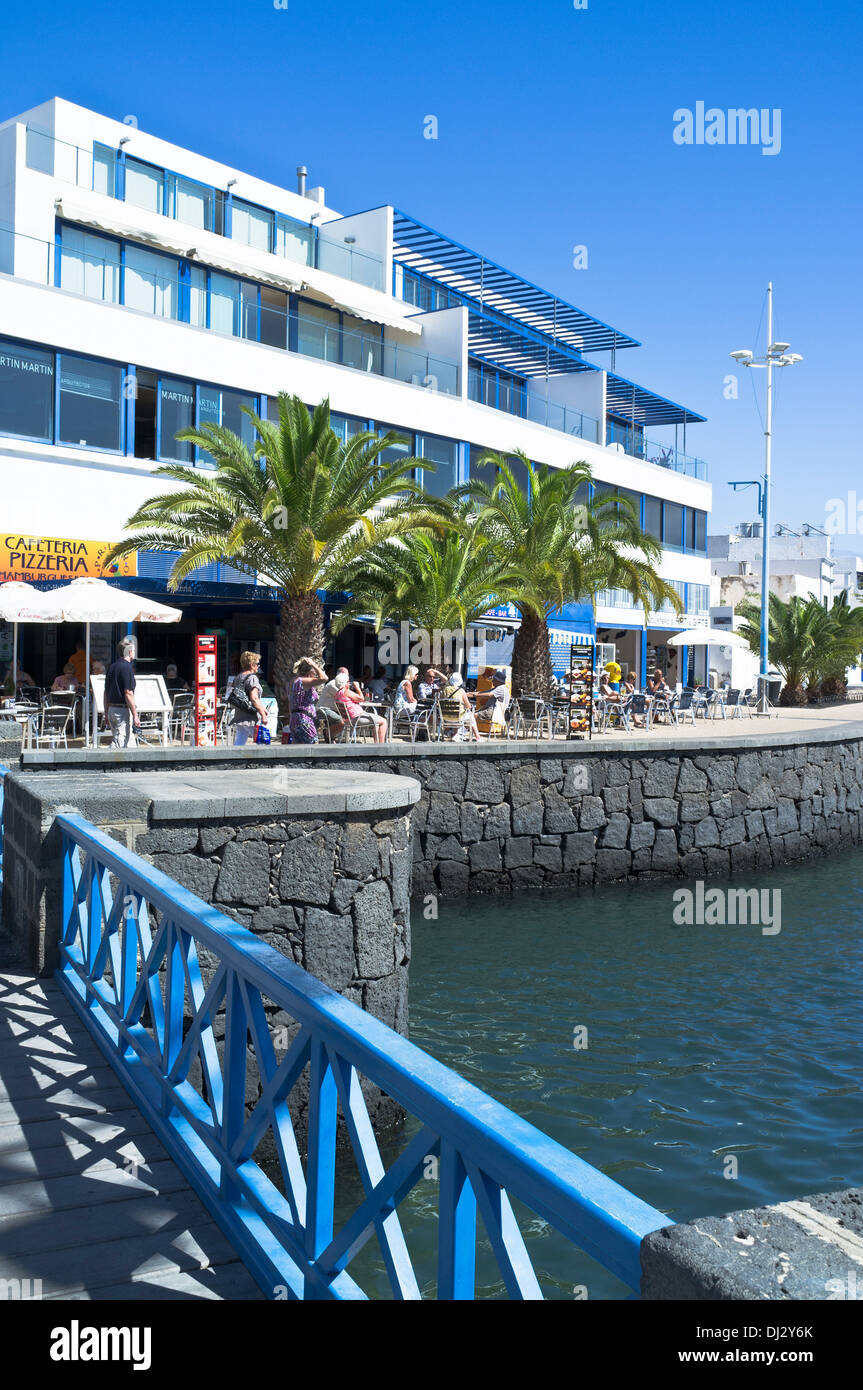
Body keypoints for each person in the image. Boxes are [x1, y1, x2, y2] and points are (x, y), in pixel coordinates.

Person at [104, 637, 140, 748]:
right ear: (129, 652)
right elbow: (128, 693)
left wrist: (106, 712)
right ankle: (103, 761)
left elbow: (106, 692)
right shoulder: (127, 668)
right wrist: (135, 715)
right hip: (121, 711)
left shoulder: (112, 667)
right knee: (119, 743)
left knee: (129, 742)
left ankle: (134, 764)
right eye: (134, 650)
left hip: (111, 709)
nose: (134, 652)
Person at [230, 650, 270, 747]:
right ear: (252, 665)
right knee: (262, 743)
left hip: (240, 714)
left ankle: (234, 760)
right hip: (252, 716)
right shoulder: (252, 678)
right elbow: (254, 698)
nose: (259, 666)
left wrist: (262, 708)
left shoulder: (238, 677)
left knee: (239, 742)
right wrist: (263, 715)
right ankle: (265, 761)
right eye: (257, 664)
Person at [334, 670, 387, 743]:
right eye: (348, 681)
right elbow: (361, 699)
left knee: (376, 722)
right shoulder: (346, 691)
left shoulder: (338, 693)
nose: (349, 683)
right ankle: (380, 745)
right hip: (358, 718)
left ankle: (376, 743)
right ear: (344, 683)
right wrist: (357, 687)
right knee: (383, 721)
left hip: (349, 719)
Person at [288, 656, 327, 744]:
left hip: (295, 719)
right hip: (304, 719)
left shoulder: (294, 681)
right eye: (315, 671)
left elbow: (290, 702)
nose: (316, 674)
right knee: (313, 747)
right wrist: (314, 665)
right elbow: (324, 678)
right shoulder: (304, 681)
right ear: (310, 671)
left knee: (299, 750)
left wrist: (291, 718)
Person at [439, 671, 482, 741]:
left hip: (446, 717)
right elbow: (469, 706)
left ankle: (456, 734)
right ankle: (478, 737)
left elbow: (441, 701)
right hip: (458, 718)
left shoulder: (445, 689)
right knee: (471, 717)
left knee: (456, 712)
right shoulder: (461, 691)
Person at [475, 667, 511, 734]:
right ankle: (466, 732)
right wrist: (469, 694)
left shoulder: (500, 688)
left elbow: (489, 695)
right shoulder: (498, 688)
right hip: (493, 711)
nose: (492, 681)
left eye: (494, 679)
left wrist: (474, 695)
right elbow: (482, 692)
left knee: (473, 716)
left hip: (495, 712)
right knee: (471, 715)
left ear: (499, 681)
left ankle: (475, 735)